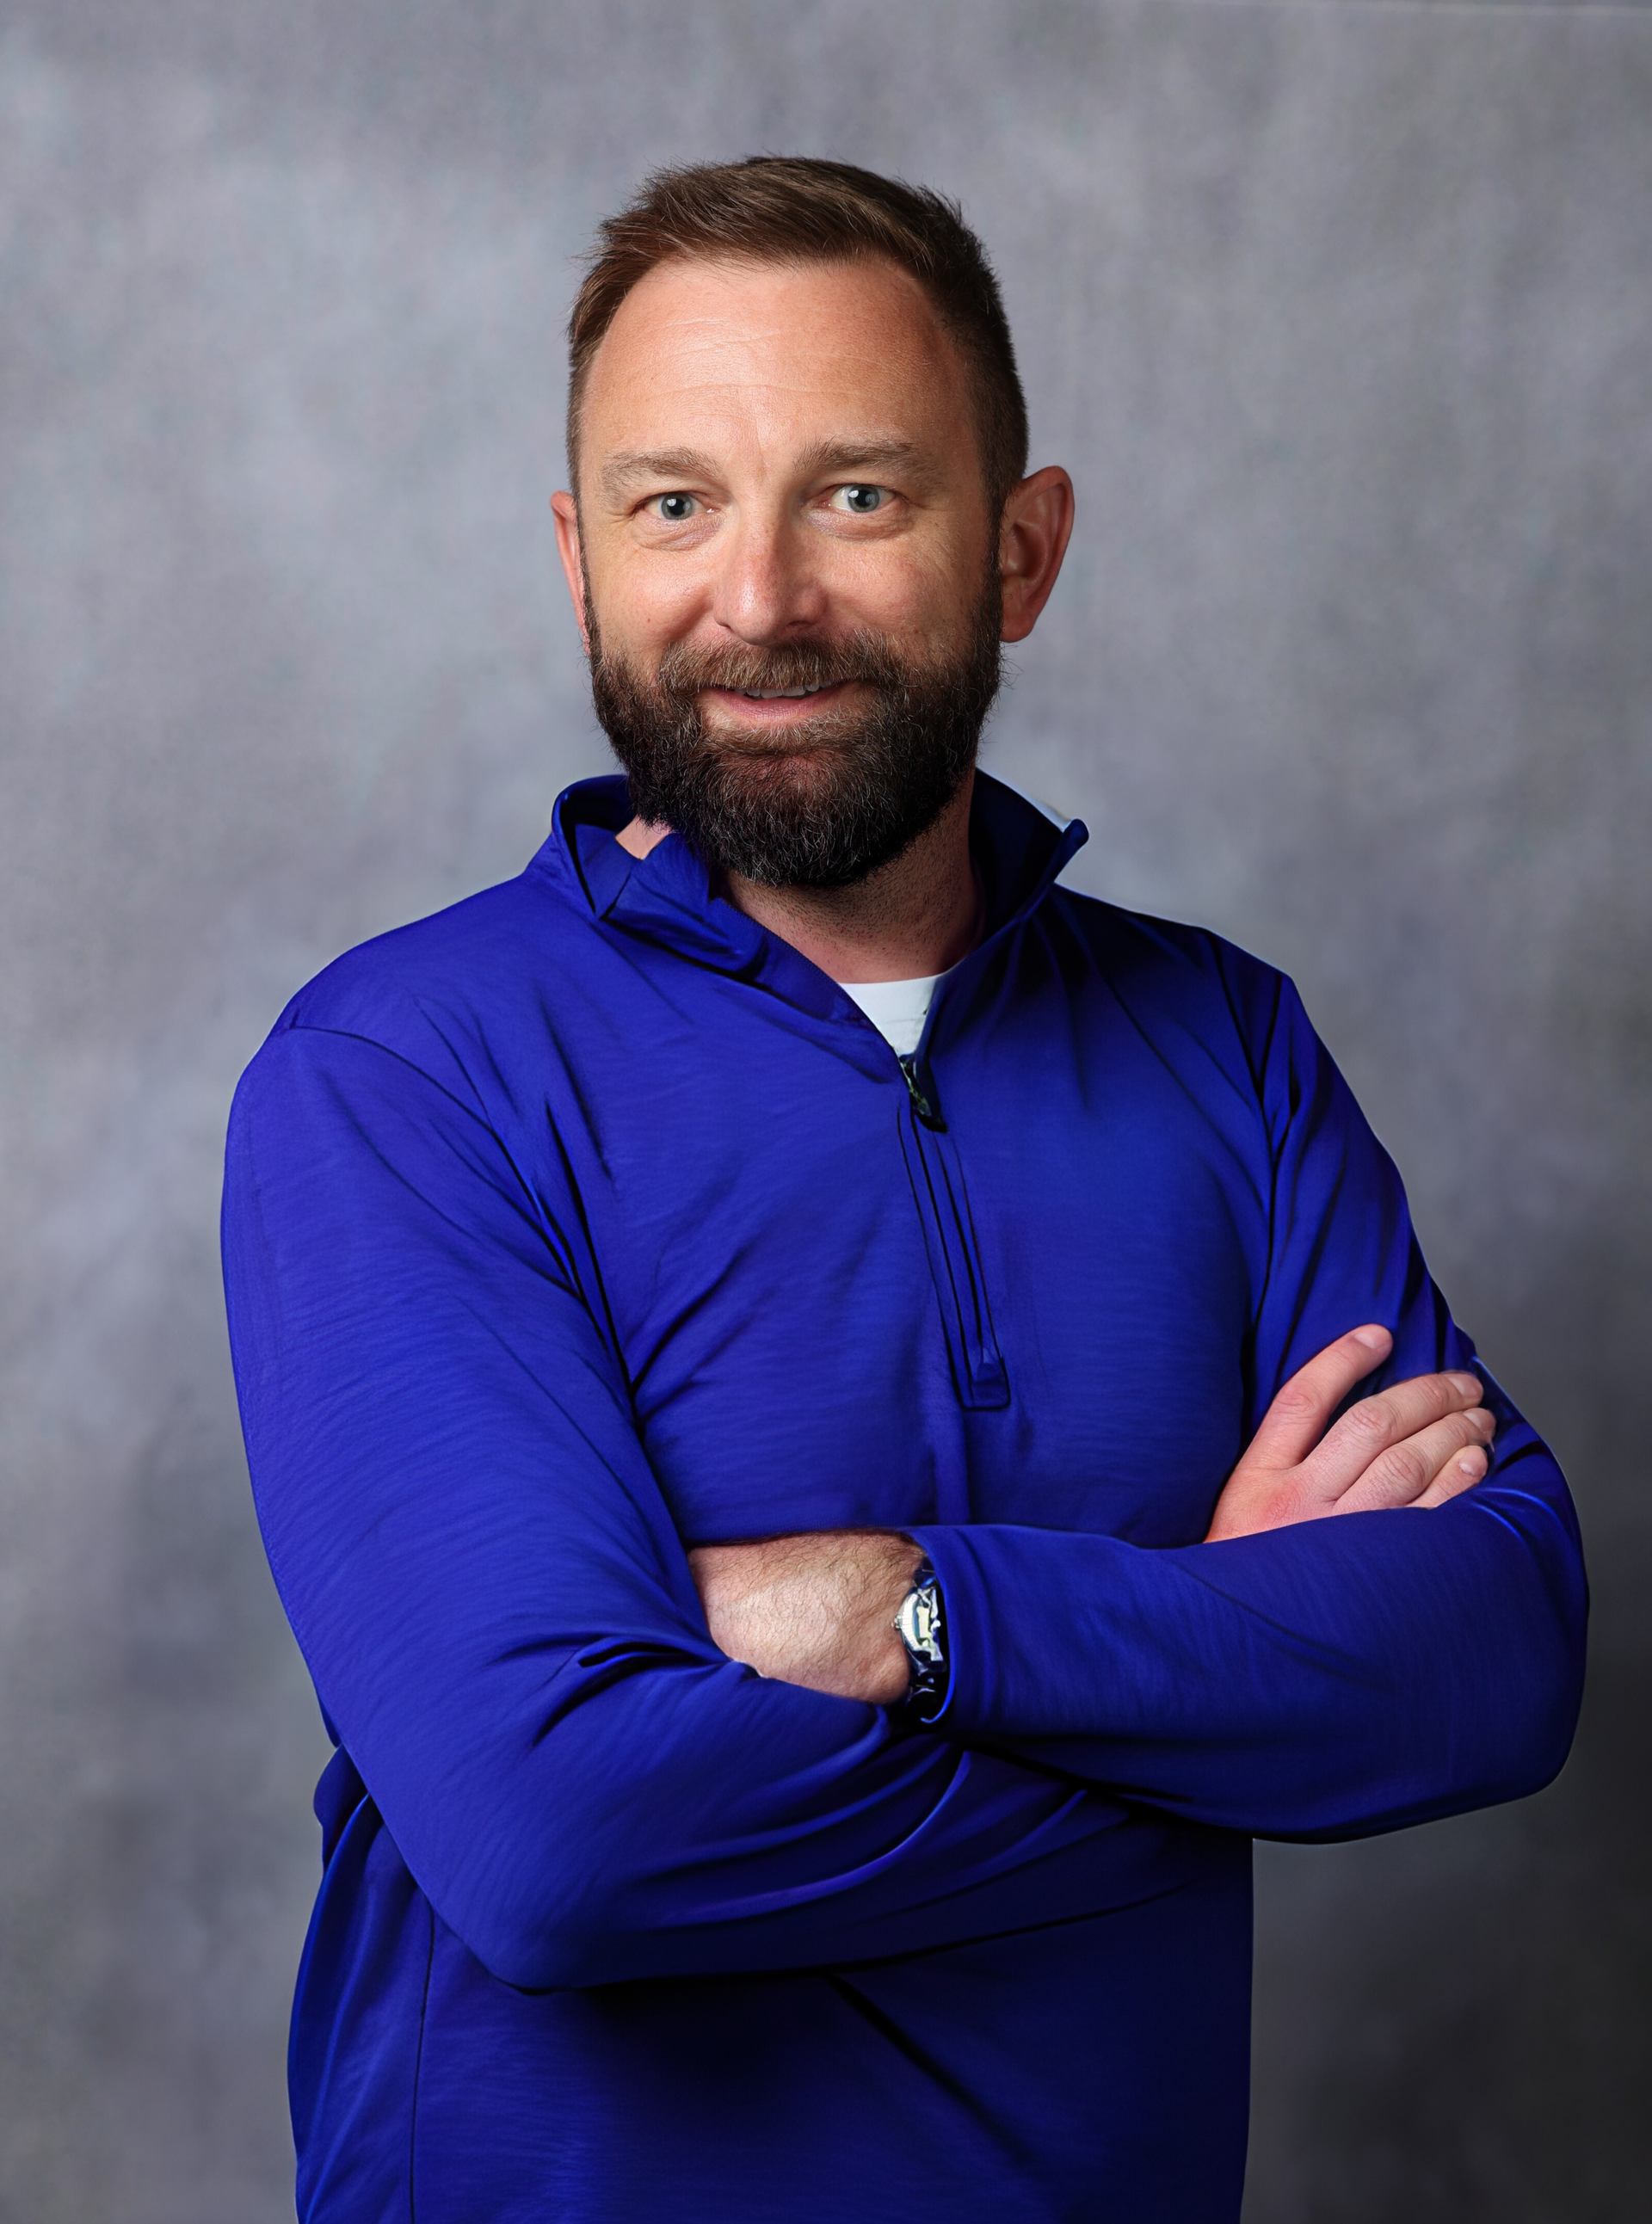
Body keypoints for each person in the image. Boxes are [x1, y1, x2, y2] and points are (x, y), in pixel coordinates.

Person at [221, 157, 1586, 2223]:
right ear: (578, 560)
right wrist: (1210, 1676)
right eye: (675, 503)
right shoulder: (405, 1077)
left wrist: (897, 1610)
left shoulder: (1221, 1045)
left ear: (1021, 548)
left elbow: (1496, 1657)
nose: (759, 597)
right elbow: (558, 1839)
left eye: (857, 495)